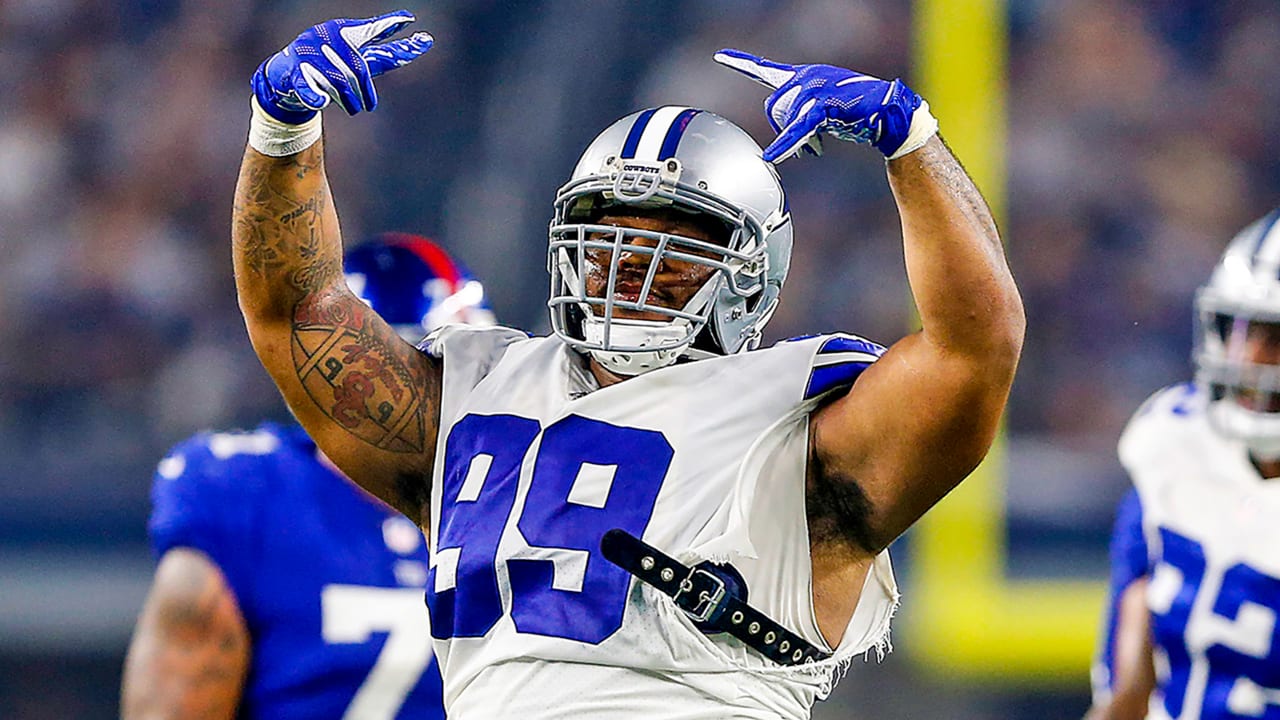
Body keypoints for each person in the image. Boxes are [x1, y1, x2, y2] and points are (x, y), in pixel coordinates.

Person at [230, 11, 1024, 719]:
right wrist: (281, 126)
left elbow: (974, 348)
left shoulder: (799, 423)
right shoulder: (478, 392)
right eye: (607, 241)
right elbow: (297, 313)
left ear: (750, 278)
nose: (626, 273)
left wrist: (910, 142)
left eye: (668, 253)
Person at [120, 233, 494, 720]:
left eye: (452, 371)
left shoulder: (514, 500)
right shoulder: (249, 496)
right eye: (407, 373)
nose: (426, 395)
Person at [1086, 211, 1280, 720]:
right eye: (1245, 330)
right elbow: (1129, 684)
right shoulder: (1175, 441)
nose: (1254, 359)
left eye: (1279, 339)